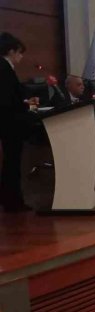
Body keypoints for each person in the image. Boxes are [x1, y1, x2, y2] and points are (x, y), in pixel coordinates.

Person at [0, 32, 36, 212]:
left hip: (9, 122)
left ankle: (9, 198)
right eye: (20, 53)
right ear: (11, 51)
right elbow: (6, 101)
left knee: (11, 162)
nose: (21, 57)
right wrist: (25, 107)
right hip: (10, 124)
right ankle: (12, 202)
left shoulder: (5, 68)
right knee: (12, 163)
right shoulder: (4, 68)